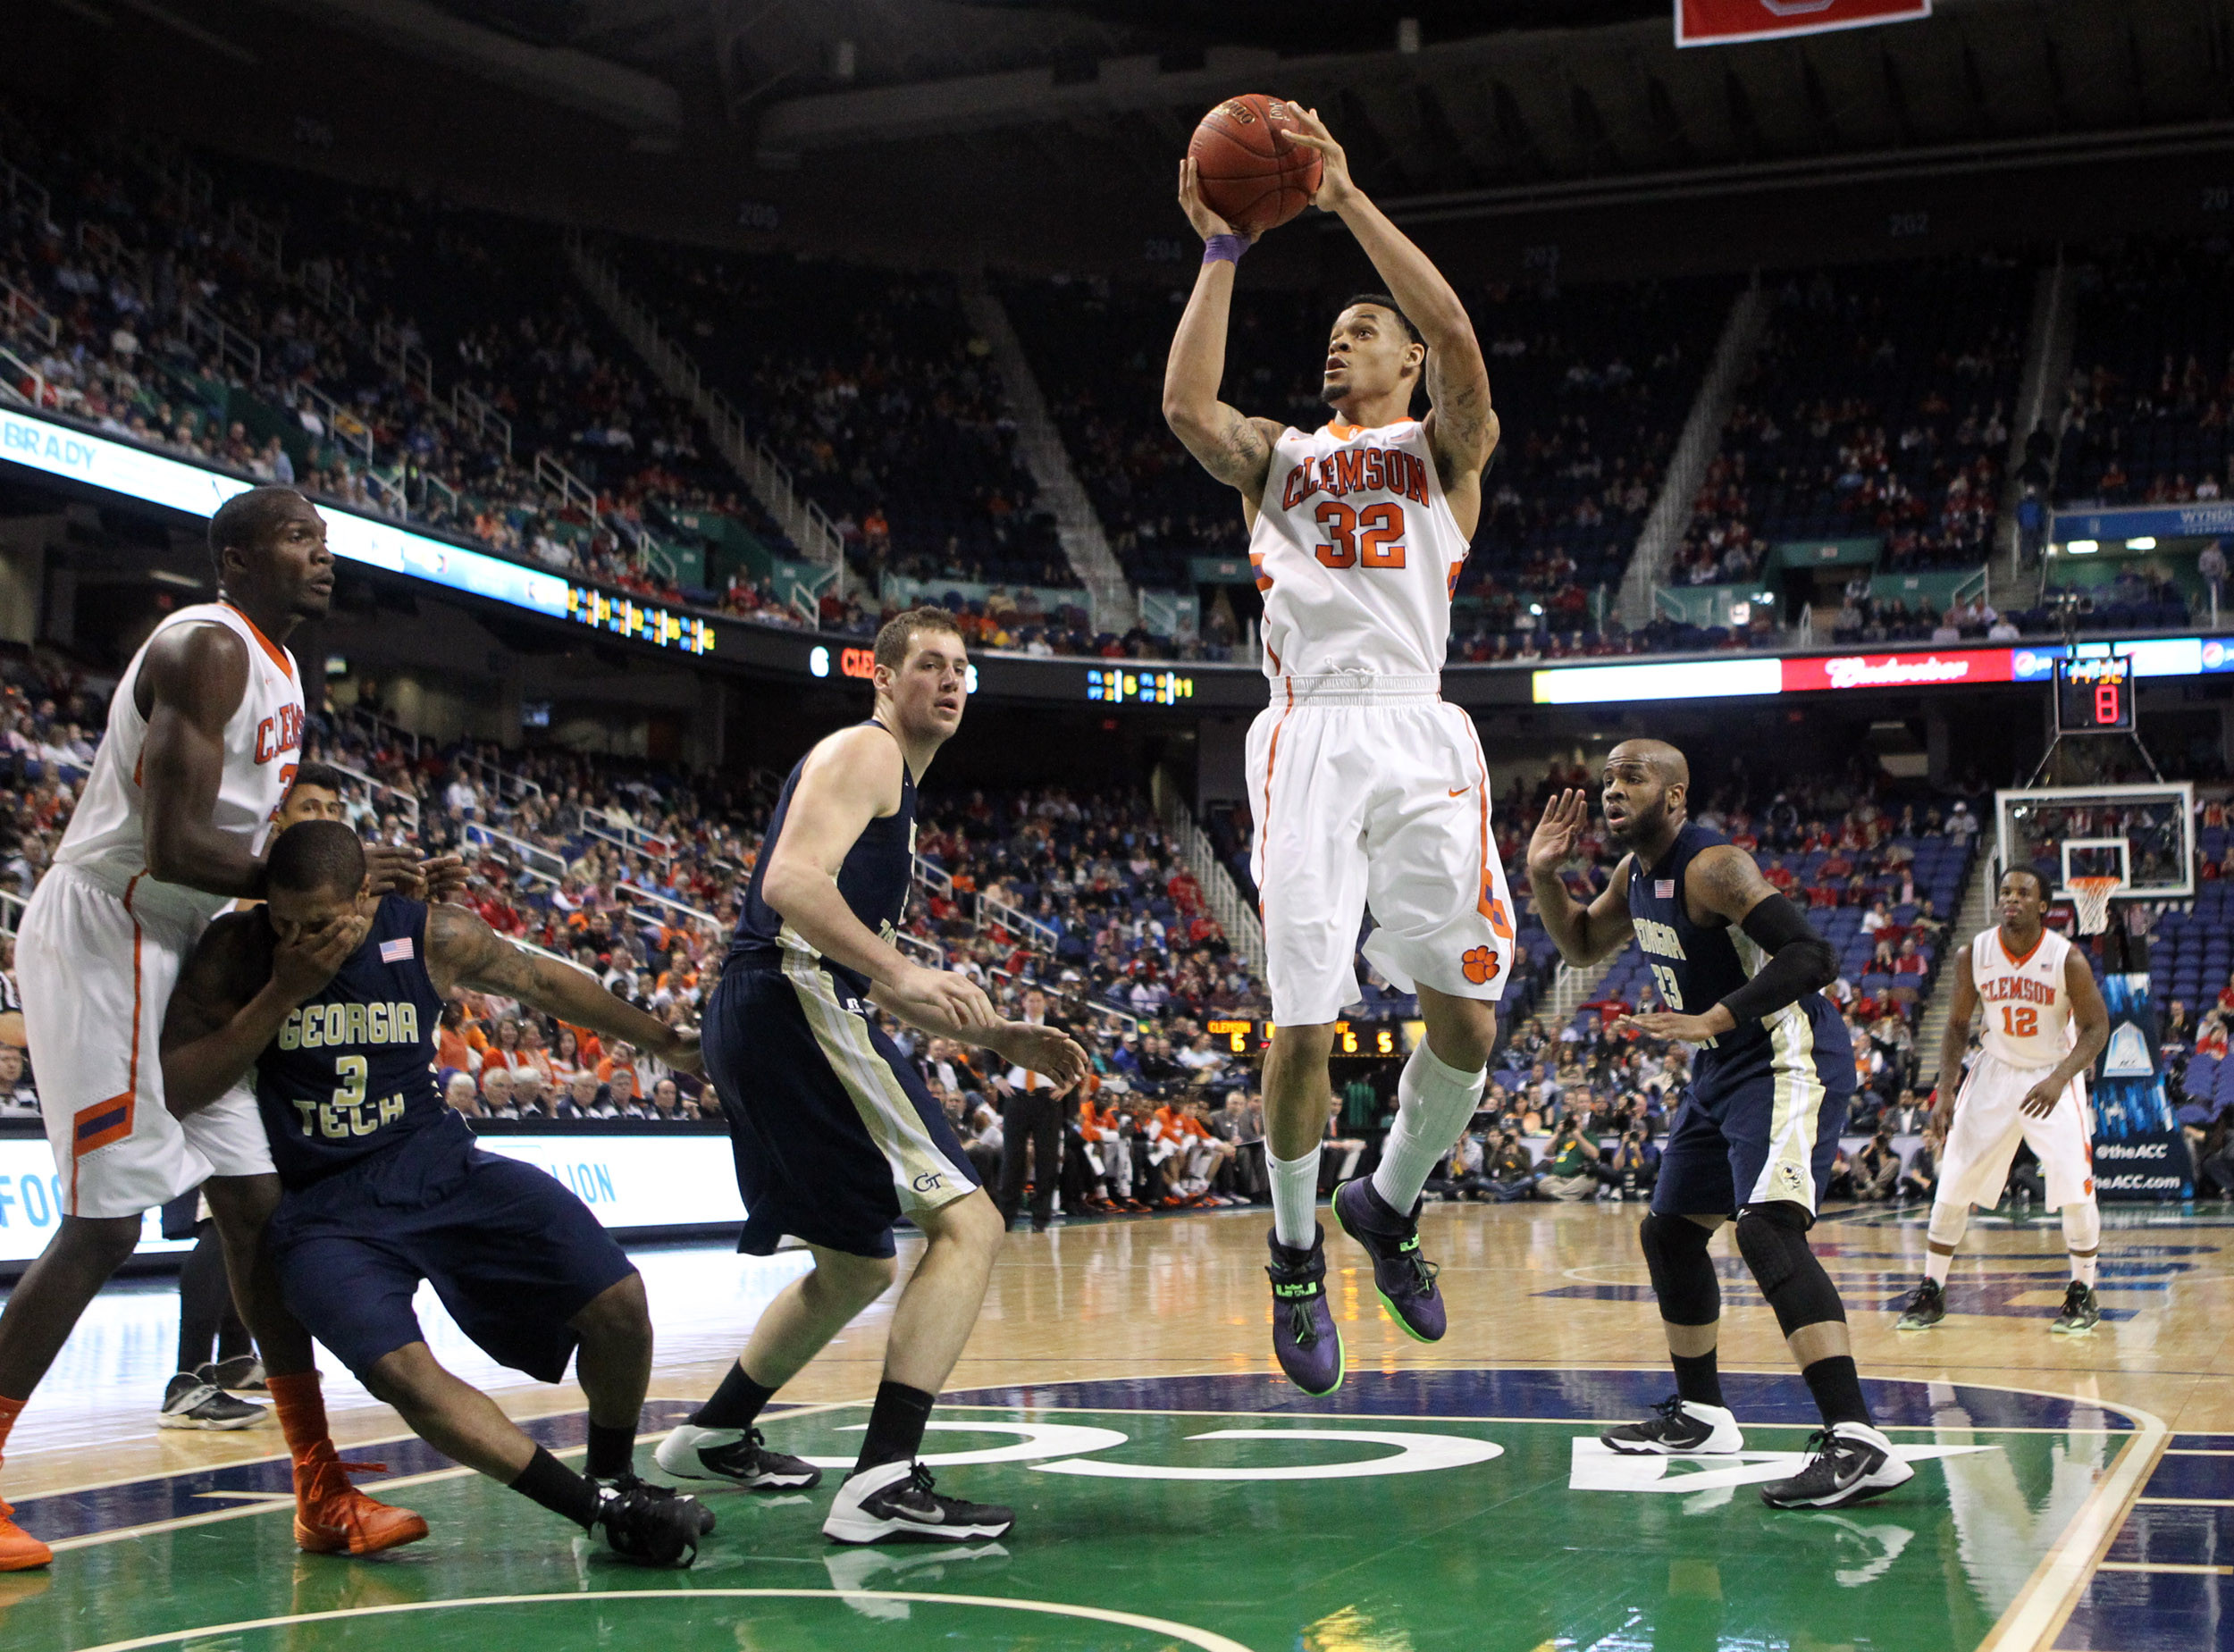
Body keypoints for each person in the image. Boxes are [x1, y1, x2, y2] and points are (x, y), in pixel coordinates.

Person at [0, 488, 430, 1571]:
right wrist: (325, 883)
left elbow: (234, 859)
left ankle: (320, 1488)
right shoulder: (208, 648)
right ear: (234, 559)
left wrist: (334, 879)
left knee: (256, 1208)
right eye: (297, 537)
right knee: (106, 1227)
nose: (321, 554)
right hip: (113, 926)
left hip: (183, 940)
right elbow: (175, 846)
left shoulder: (283, 668)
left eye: (325, 538)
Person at [1163, 108, 1511, 1395]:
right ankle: (1297, 1250)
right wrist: (1222, 251)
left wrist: (1347, 197)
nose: (1341, 338)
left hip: (1419, 723)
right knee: (1303, 1022)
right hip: (1308, 725)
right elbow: (1185, 405)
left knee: (1466, 1019)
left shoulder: (1446, 451)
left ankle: (1389, 1199)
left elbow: (1460, 335)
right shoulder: (1280, 459)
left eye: (1366, 329)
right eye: (1335, 329)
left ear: (1408, 361)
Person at [160, 821, 717, 1567]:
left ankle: (615, 1476)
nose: (298, 938)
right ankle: (598, 1510)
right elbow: (178, 1086)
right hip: (324, 1209)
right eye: (284, 921)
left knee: (620, 1301)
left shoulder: (431, 933)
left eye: (319, 925)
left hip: (439, 1166)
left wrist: (664, 1042)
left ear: (364, 894)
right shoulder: (241, 949)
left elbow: (542, 981)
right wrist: (283, 991)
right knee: (405, 1375)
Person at [655, 609, 1087, 1545]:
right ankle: (883, 1479)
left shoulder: (892, 782)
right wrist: (901, 969)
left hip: (772, 1003)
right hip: (791, 996)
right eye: (930, 664)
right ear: (883, 679)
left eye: (962, 667)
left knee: (855, 1263)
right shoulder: (869, 751)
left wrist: (998, 1036)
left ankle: (712, 1431)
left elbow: (859, 965)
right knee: (970, 1222)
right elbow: (790, 885)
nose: (952, 680)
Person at [1527, 740, 1911, 1511]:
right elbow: (1580, 943)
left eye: (1631, 777)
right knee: (1669, 1233)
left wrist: (1715, 1016)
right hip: (1719, 1069)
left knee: (1767, 1229)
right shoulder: (1633, 875)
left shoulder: (1713, 866)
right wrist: (1543, 874)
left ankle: (1858, 1439)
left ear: (1675, 796)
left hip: (1783, 1055)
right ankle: (1703, 1414)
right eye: (1607, 778)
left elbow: (1813, 955)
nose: (1612, 789)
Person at [1896, 868, 2110, 1335]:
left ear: (2042, 906)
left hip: (2050, 1075)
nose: (2011, 898)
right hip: (1993, 1072)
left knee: (2075, 1187)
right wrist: (1945, 1092)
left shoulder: (2067, 958)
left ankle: (2083, 1292)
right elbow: (1957, 1025)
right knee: (1953, 1180)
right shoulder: (1973, 954)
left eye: (2023, 893)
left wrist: (2060, 1078)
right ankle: (1932, 1288)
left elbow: (2097, 1028)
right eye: (2006, 892)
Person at [994, 986, 1071, 1231]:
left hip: (1047, 1099)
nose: (1034, 1004)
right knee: (1012, 1158)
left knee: (1047, 1158)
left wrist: (1069, 1084)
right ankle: (1005, 1217)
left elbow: (1080, 1055)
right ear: (1023, 1003)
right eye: (1031, 1000)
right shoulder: (1011, 1025)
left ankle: (1041, 1218)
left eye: (1038, 1000)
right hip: (1016, 1096)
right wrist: (996, 1077)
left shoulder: (1058, 1026)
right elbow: (989, 1049)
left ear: (1045, 1003)